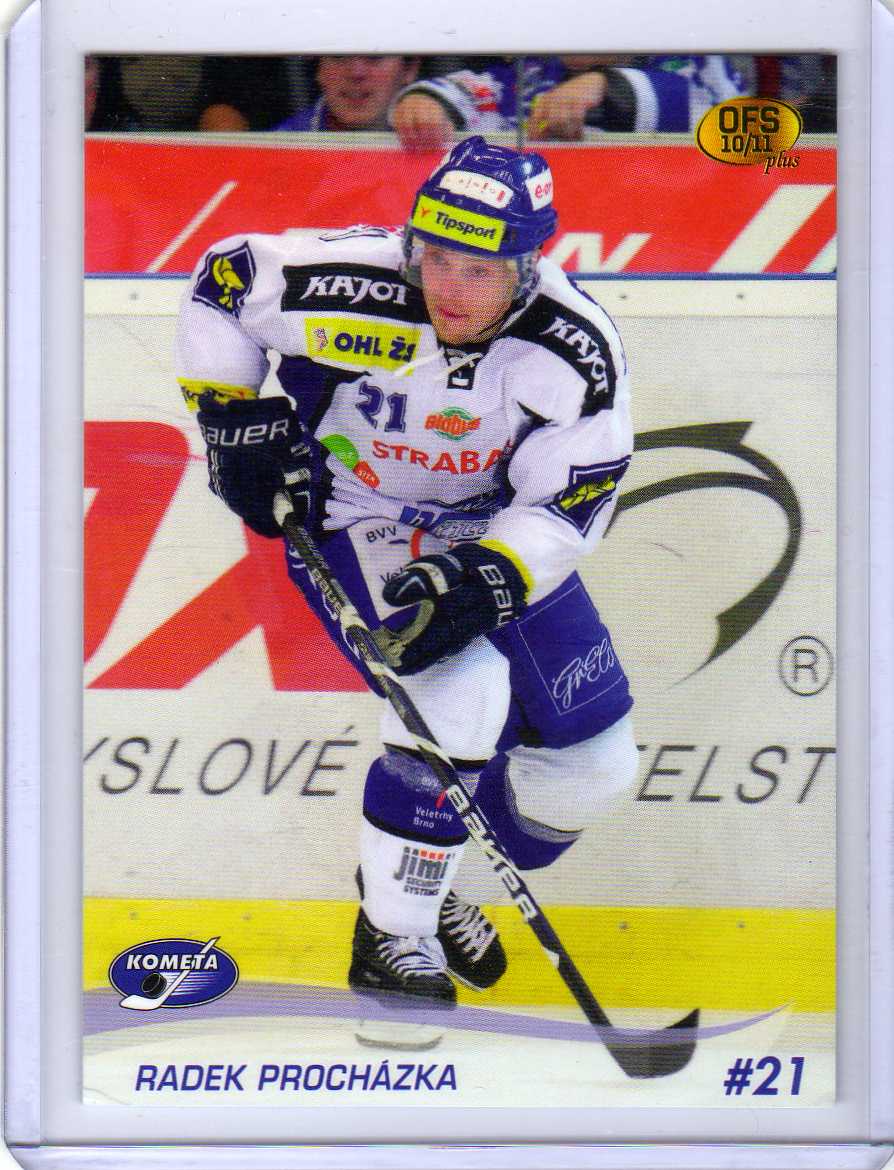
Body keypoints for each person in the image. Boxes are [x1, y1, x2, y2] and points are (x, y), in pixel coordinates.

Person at [175, 136, 638, 1007]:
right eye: (436, 257)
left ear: (529, 267)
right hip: (360, 515)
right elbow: (223, 281)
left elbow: (571, 499)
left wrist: (495, 574)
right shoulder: (352, 281)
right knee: (459, 697)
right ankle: (395, 935)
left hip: (495, 533)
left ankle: (428, 876)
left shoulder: (575, 347)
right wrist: (231, 415)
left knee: (596, 771)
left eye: (479, 270)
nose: (448, 288)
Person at [390, 54, 745, 148]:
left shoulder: (698, 59)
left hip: (668, 252)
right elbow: (482, 91)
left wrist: (608, 86)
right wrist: (426, 102)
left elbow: (733, 126)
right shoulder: (535, 70)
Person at [275, 55, 419, 132]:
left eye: (374, 56)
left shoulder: (431, 127)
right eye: (338, 56)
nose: (356, 72)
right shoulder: (283, 143)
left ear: (409, 69)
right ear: (319, 69)